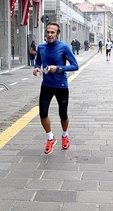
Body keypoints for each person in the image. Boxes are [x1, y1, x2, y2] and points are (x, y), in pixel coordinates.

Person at [32, 22, 79, 155]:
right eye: (48, 32)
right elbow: (38, 62)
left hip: (61, 85)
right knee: (43, 113)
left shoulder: (64, 47)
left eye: (52, 32)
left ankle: (64, 135)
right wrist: (36, 68)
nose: (50, 35)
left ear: (57, 34)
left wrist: (58, 69)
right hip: (46, 85)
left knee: (63, 114)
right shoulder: (41, 47)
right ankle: (50, 138)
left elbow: (75, 66)